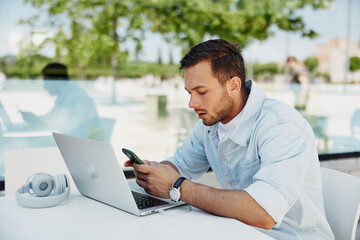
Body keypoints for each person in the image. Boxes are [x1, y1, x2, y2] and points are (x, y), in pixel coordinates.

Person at [125, 39, 334, 239]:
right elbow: (179, 166)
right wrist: (153, 172)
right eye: (189, 92)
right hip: (236, 231)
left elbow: (264, 213)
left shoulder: (281, 126)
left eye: (202, 91)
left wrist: (178, 187)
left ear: (233, 85)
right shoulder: (210, 125)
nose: (192, 103)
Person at [20, 63, 102, 139]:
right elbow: (54, 119)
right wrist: (35, 119)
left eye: (47, 81)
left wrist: (36, 120)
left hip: (82, 145)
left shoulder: (75, 97)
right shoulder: (67, 95)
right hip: (74, 143)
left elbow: (65, 126)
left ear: (58, 80)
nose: (45, 87)